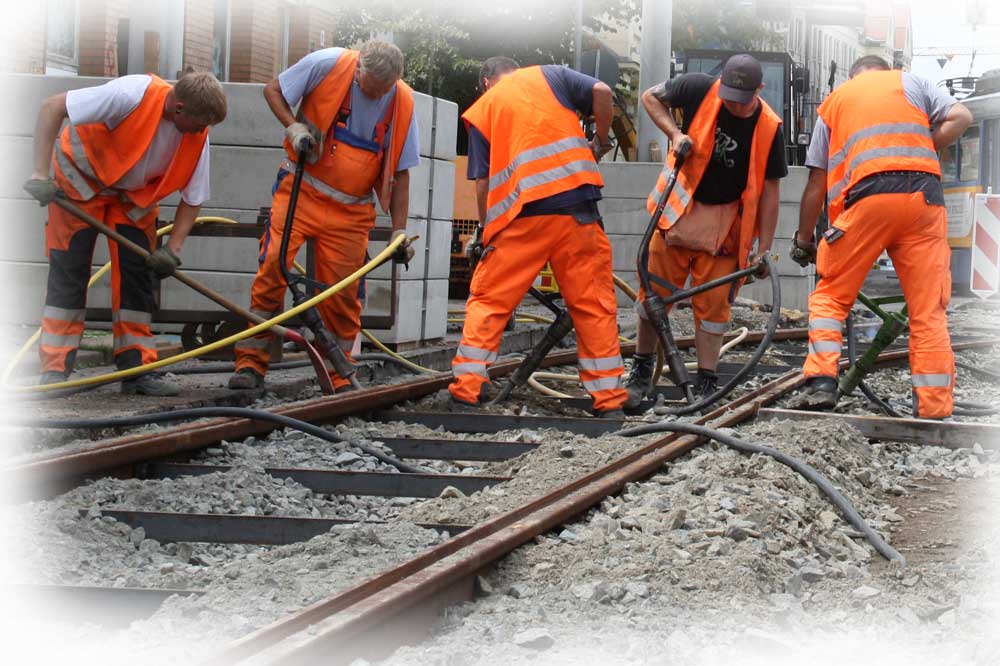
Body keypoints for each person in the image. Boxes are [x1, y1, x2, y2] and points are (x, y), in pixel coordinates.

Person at [229, 40, 418, 391]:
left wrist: (399, 230)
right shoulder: (327, 64)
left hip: (352, 212)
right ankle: (250, 365)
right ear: (359, 68)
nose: (377, 96)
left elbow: (401, 174)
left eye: (384, 90)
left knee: (343, 297)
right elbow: (273, 90)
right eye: (371, 88)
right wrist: (293, 126)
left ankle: (336, 376)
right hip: (301, 192)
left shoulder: (403, 102)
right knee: (272, 267)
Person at [790, 55, 972, 418]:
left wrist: (805, 239)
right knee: (927, 310)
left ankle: (822, 384)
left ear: (855, 75)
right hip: (924, 199)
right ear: (885, 70)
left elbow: (816, 183)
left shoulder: (836, 101)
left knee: (829, 296)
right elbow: (962, 117)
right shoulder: (914, 83)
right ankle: (934, 408)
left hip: (868, 199)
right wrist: (925, 145)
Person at [23, 70, 227, 395]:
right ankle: (55, 370)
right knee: (69, 271)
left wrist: (172, 249)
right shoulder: (130, 94)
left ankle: (137, 370)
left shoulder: (197, 136)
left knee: (137, 277)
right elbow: (52, 106)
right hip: (80, 184)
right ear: (179, 108)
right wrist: (39, 172)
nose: (202, 132)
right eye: (199, 124)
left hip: (132, 200)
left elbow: (194, 198)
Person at [448, 56, 627, 417]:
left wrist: (487, 233)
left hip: (522, 218)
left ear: (486, 81)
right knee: (592, 305)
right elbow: (603, 91)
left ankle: (466, 391)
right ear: (516, 69)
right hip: (578, 210)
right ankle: (609, 401)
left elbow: (483, 182)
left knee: (491, 301)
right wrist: (601, 140)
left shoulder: (485, 108)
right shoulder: (552, 76)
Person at [624, 54, 787, 409]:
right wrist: (674, 133)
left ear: (758, 90)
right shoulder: (697, 87)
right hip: (675, 217)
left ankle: (707, 383)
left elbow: (771, 191)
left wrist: (765, 248)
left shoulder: (770, 126)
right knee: (652, 298)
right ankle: (641, 369)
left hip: (725, 229)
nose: (734, 106)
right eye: (728, 96)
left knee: (713, 312)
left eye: (742, 100)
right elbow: (651, 97)